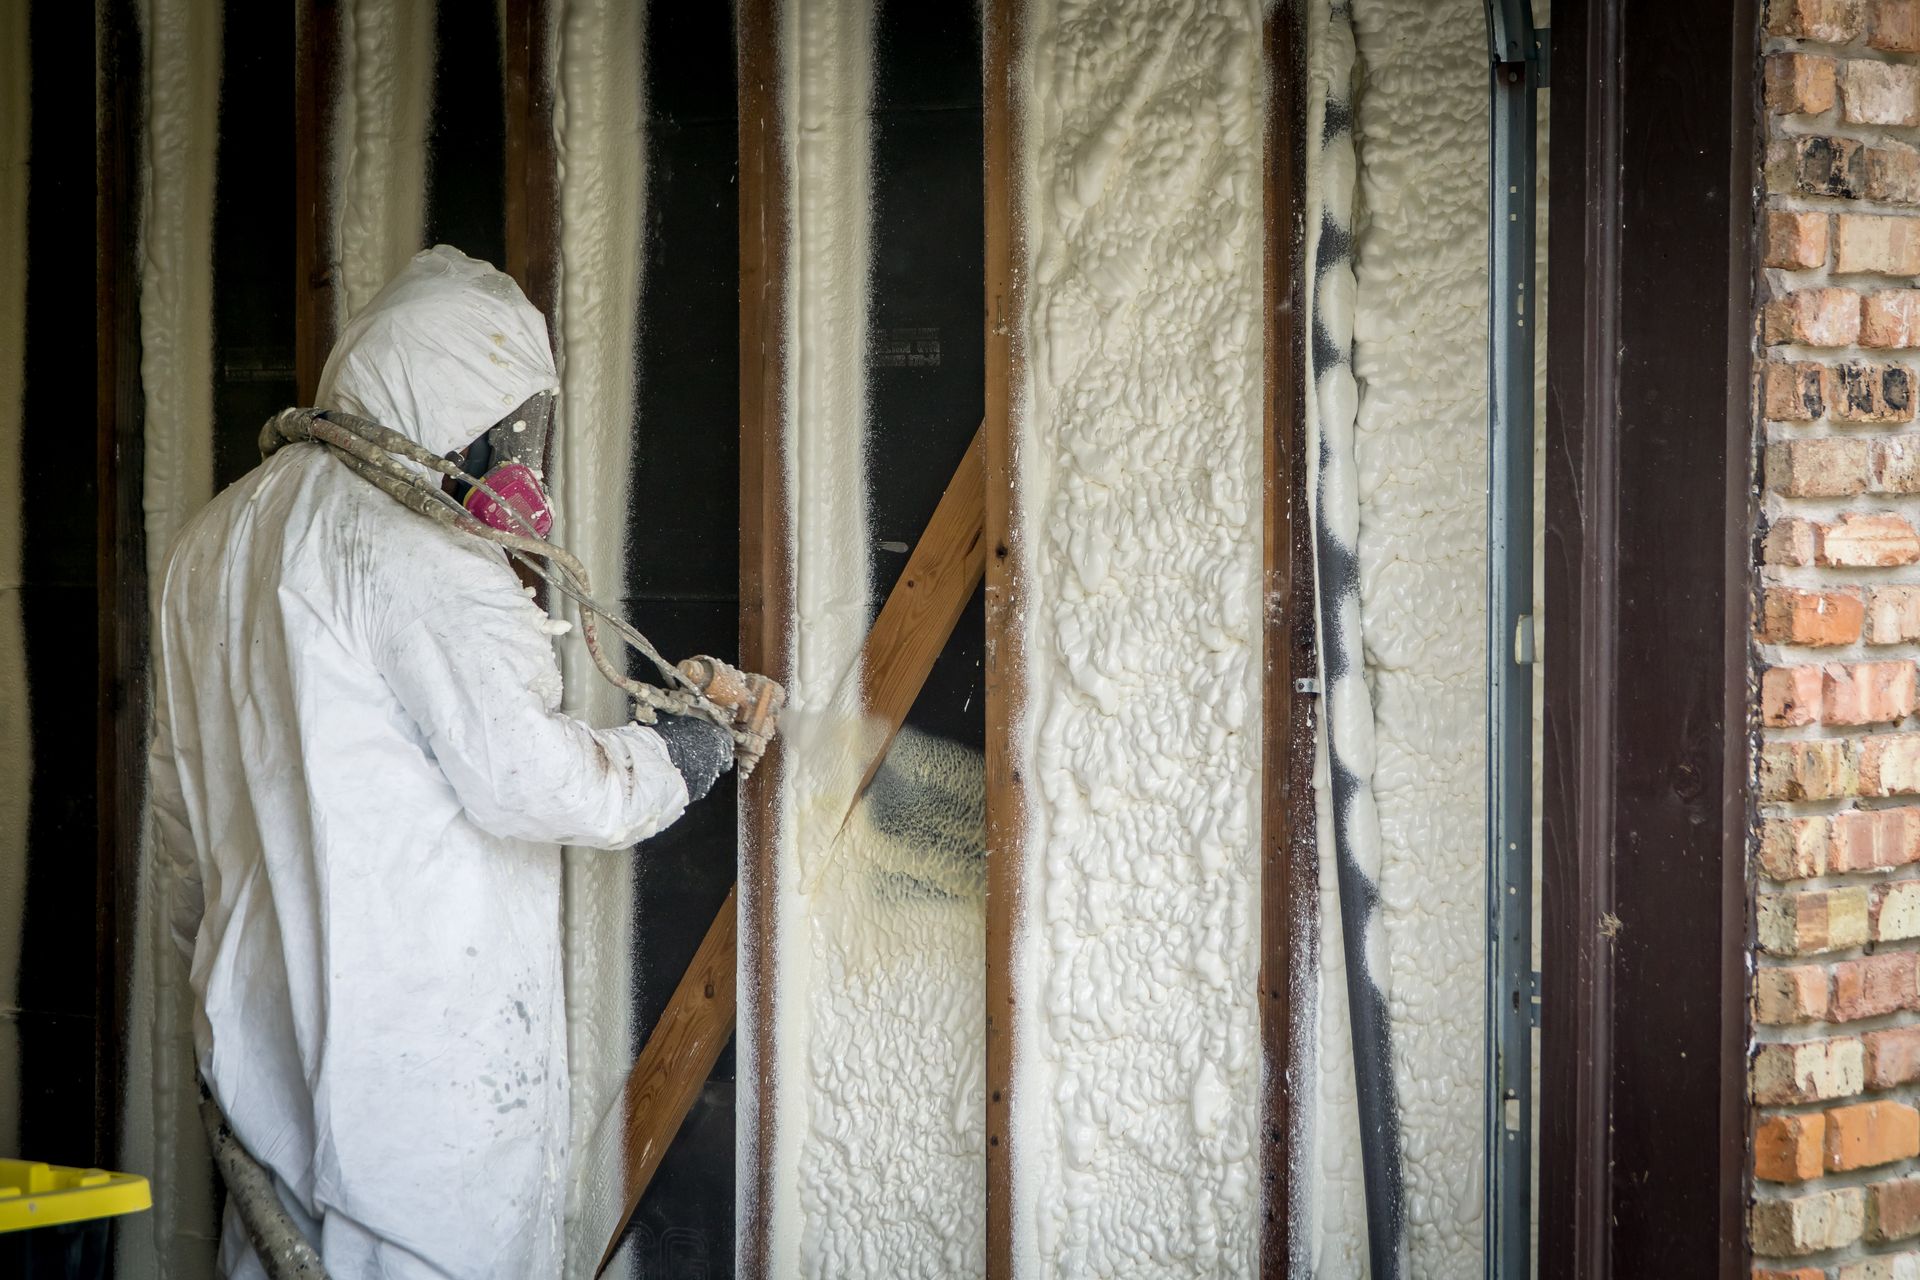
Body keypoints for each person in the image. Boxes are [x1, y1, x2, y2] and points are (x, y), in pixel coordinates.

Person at [147, 246, 734, 1278]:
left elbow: (176, 823)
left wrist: (214, 1009)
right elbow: (530, 778)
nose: (514, 461)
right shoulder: (417, 549)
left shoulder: (211, 540)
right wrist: (680, 755)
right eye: (504, 427)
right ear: (444, 395)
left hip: (261, 1079)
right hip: (419, 1113)